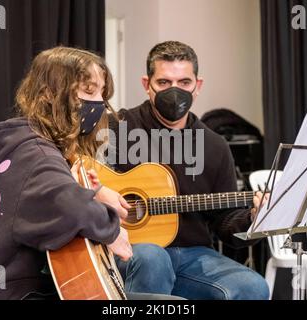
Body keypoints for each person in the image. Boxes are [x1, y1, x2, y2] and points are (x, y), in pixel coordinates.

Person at [0, 46, 136, 300]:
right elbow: (71, 208)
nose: (99, 102)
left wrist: (89, 192)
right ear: (48, 94)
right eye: (89, 91)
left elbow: (52, 201)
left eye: (102, 93)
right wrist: (111, 229)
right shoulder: (36, 155)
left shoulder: (22, 148)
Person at [109, 41, 270, 300]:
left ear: (198, 86)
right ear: (146, 84)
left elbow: (226, 223)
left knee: (253, 287)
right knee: (153, 257)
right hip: (129, 250)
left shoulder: (214, 145)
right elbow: (82, 180)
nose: (175, 92)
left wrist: (254, 218)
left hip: (193, 255)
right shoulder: (116, 127)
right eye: (164, 83)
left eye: (184, 83)